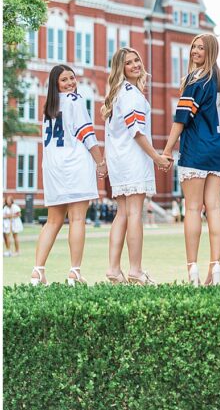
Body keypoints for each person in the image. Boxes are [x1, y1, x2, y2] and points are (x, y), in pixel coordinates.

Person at [161, 33, 220, 286]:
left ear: (211, 52)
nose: (195, 51)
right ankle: (215, 269)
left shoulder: (196, 81)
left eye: (201, 48)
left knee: (193, 208)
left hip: (195, 150)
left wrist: (166, 150)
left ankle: (192, 270)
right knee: (214, 207)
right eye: (194, 46)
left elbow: (181, 120)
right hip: (217, 152)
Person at [102, 47, 170, 285]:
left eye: (136, 60)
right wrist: (158, 157)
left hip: (120, 162)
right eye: (128, 63)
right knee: (133, 214)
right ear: (121, 69)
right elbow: (137, 132)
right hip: (132, 160)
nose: (135, 65)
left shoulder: (117, 93)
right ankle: (135, 270)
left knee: (122, 213)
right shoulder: (131, 95)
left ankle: (113, 269)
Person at [31, 65, 105, 285]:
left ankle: (37, 271)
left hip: (53, 167)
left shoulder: (48, 108)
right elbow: (87, 134)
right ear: (56, 84)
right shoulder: (75, 101)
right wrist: (100, 162)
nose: (71, 83)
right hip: (75, 165)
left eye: (72, 78)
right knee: (77, 219)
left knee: (53, 221)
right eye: (64, 80)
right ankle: (74, 271)